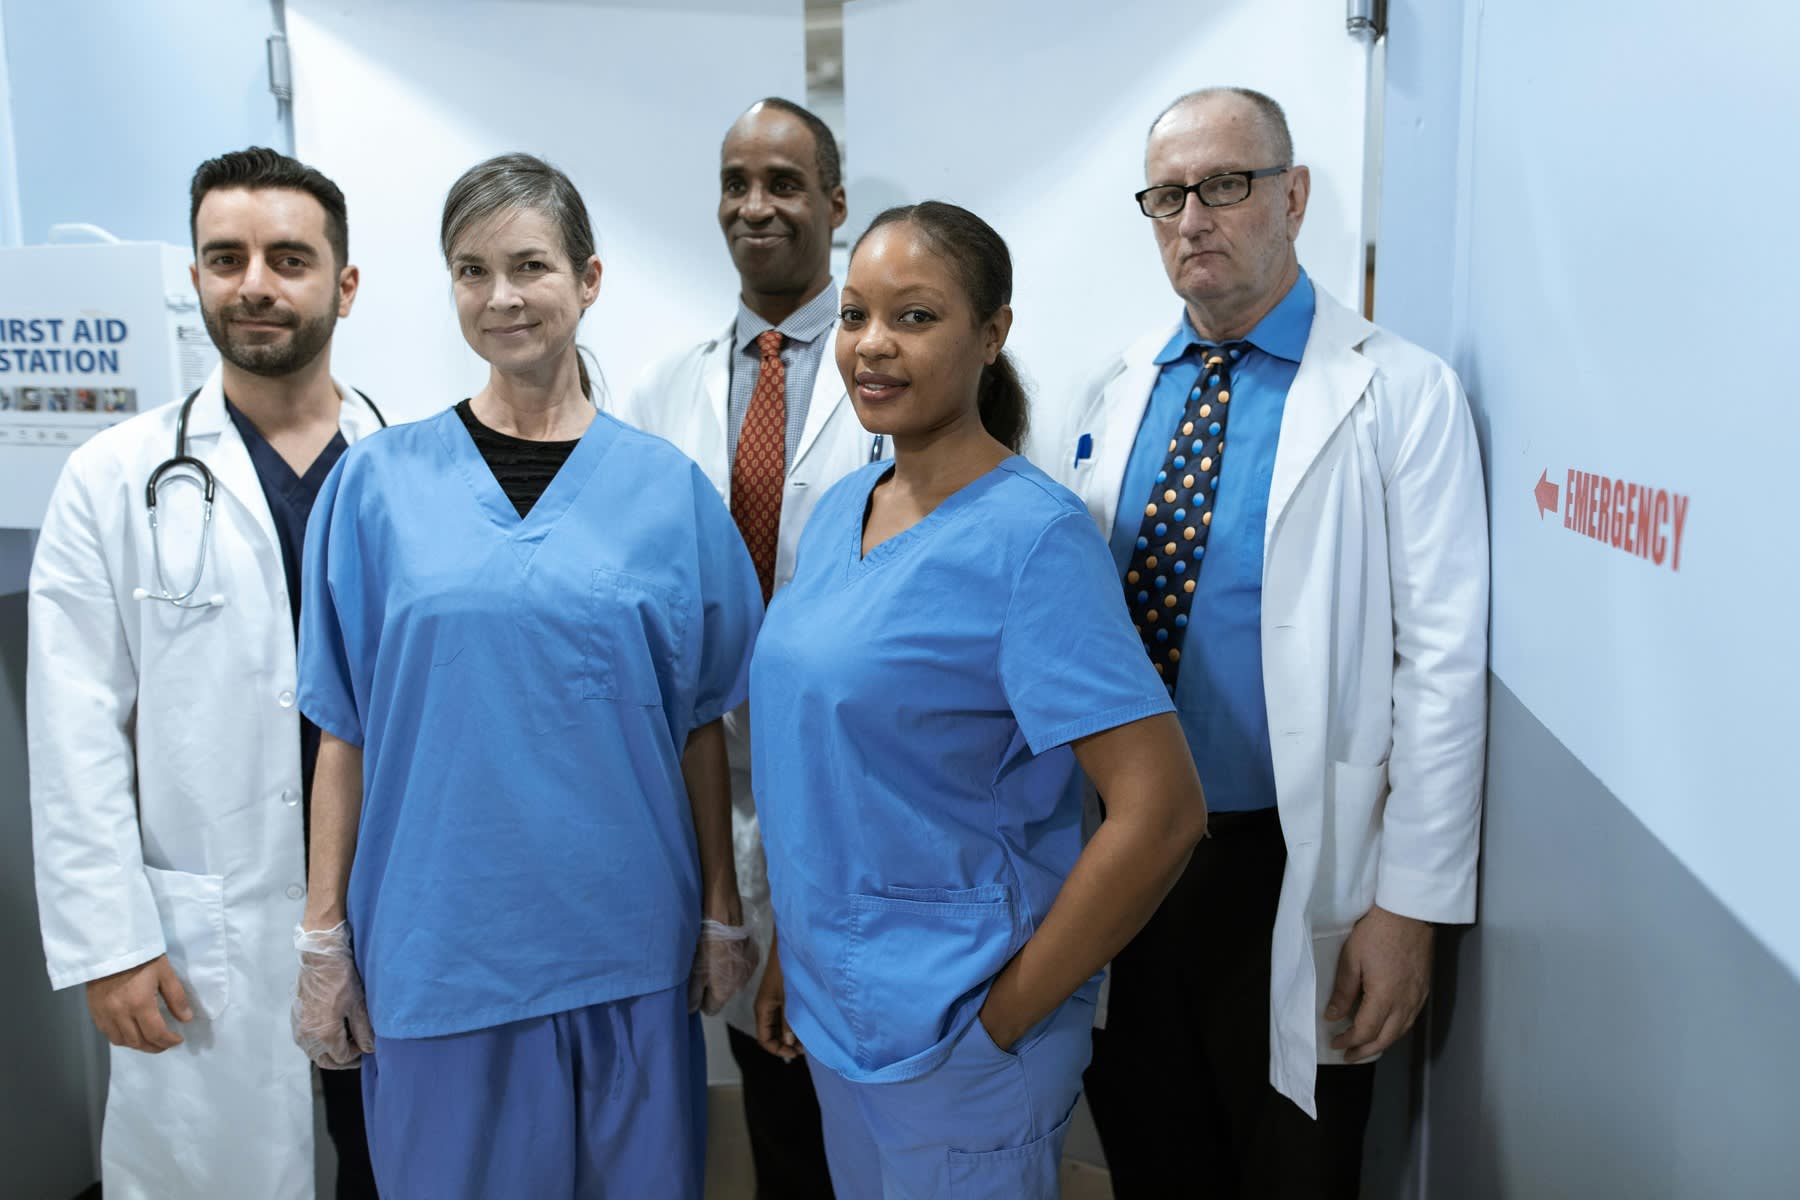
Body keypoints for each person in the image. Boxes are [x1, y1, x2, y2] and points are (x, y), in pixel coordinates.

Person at [1031, 87, 1489, 1198]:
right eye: (1168, 195)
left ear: (1292, 196)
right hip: (1130, 860)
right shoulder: (1118, 387)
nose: (1193, 217)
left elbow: (1441, 666)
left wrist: (1409, 911)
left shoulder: (1400, 393)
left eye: (1225, 185)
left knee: (1296, 1165)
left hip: (1296, 863)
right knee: (1154, 1148)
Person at [291, 152, 763, 1200]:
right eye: (472, 270)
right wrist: (323, 932)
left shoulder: (667, 493)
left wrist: (723, 911)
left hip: (626, 943)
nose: (502, 296)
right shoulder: (378, 486)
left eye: (531, 265)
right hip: (438, 945)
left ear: (587, 279)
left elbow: (699, 725)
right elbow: (344, 729)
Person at [749, 201, 1211, 1198]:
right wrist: (799, 943)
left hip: (958, 1036)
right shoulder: (841, 511)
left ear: (993, 333)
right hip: (842, 1014)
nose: (873, 346)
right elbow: (827, 763)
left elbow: (1163, 811)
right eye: (858, 316)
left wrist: (1003, 1021)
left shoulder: (1032, 542)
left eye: (915, 317)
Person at [28, 146, 382, 1199]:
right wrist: (109, 943)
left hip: (391, 914)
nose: (255, 284)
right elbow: (73, 726)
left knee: (396, 1166)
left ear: (344, 285)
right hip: (206, 934)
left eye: (288, 258)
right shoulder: (110, 479)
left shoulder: (407, 467)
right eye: (225, 258)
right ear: (194, 279)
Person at [611, 96, 873, 1199]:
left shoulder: (896, 365)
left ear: (834, 204)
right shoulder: (661, 387)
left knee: (869, 1087)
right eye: (735, 183)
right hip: (712, 781)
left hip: (861, 786)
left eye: (782, 183)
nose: (754, 207)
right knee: (768, 1081)